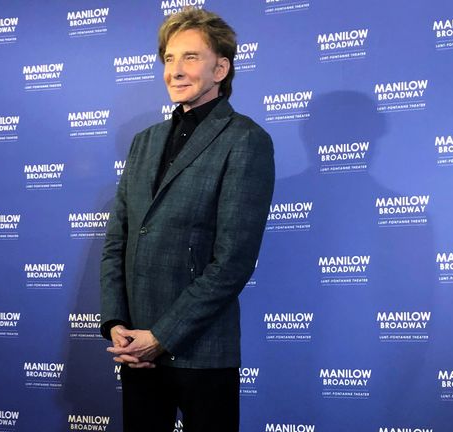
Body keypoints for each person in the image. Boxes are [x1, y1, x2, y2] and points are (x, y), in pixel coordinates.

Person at [100, 8, 275, 432]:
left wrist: (161, 336)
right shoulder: (145, 142)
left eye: (191, 58)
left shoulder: (246, 140)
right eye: (169, 59)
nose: (175, 71)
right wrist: (116, 324)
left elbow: (232, 262)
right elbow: (117, 241)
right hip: (136, 352)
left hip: (203, 352)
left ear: (221, 68)